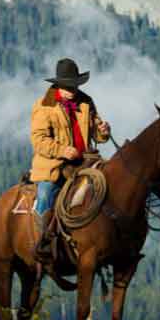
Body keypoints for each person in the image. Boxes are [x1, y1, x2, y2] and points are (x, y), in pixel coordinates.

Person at [29, 58, 111, 263]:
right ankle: (43, 242)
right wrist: (62, 151)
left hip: (84, 162)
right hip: (54, 165)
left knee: (110, 187)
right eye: (68, 86)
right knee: (46, 193)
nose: (72, 90)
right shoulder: (44, 105)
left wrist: (103, 132)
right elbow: (38, 140)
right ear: (58, 85)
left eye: (75, 85)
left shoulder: (86, 101)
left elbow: (97, 135)